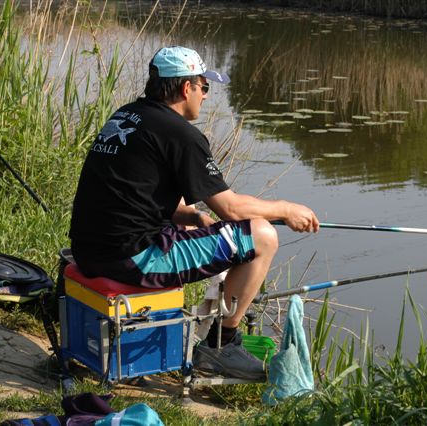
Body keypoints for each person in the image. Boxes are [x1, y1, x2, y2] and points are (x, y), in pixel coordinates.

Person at [69, 46, 319, 380]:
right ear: (186, 88)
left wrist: (193, 217)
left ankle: (210, 339)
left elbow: (134, 193)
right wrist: (286, 209)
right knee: (262, 236)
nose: (206, 95)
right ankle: (219, 346)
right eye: (204, 86)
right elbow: (231, 208)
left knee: (196, 231)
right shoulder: (181, 134)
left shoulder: (128, 116)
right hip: (132, 258)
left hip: (90, 250)